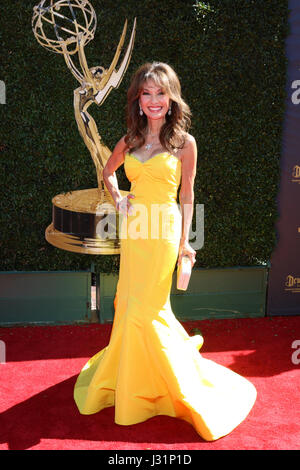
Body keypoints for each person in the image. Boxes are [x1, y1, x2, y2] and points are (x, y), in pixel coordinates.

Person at [73, 62, 257, 441]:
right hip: (136, 229)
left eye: (161, 93)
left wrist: (187, 239)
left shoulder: (184, 143)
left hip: (163, 231)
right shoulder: (131, 139)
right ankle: (133, 379)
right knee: (127, 302)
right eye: (147, 93)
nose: (154, 100)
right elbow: (108, 171)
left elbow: (187, 194)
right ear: (138, 100)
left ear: (171, 99)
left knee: (148, 308)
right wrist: (119, 198)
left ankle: (170, 385)